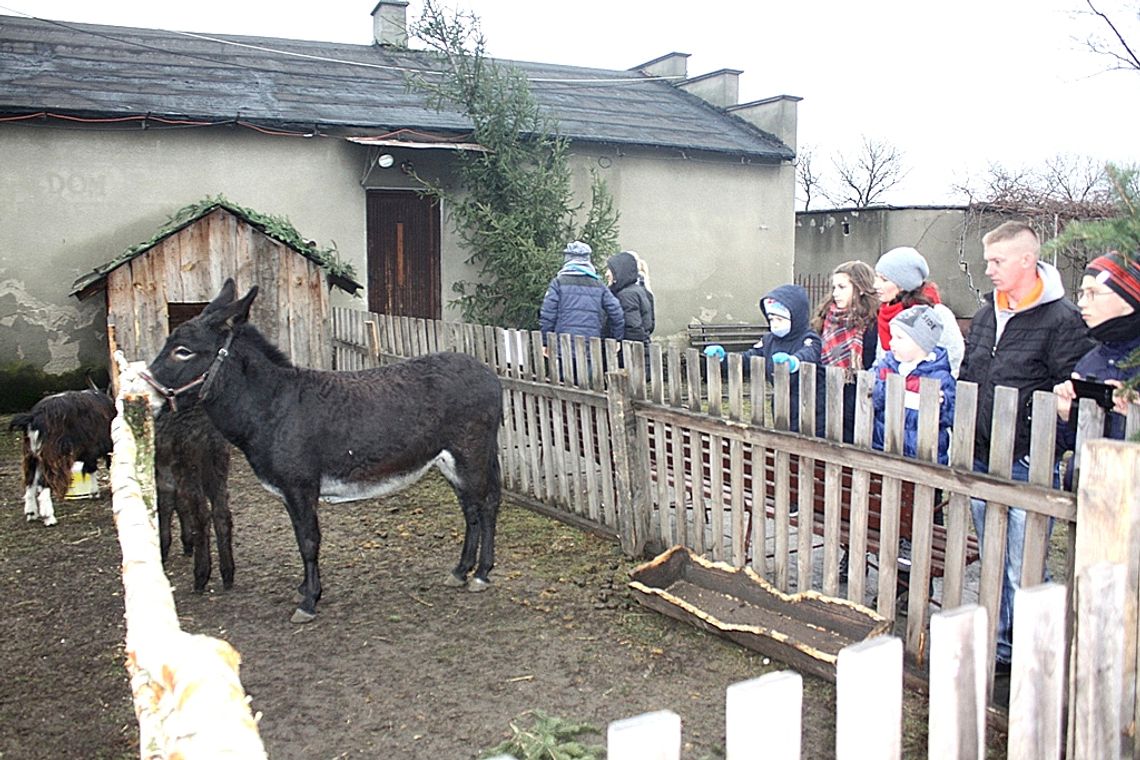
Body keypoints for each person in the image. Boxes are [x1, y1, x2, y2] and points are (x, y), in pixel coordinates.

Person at [960, 221, 1094, 675]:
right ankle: (1001, 650)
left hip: (1025, 461)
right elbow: (969, 374)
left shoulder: (1062, 320)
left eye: (997, 261)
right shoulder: (985, 313)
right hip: (982, 457)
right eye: (987, 260)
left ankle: (1040, 653)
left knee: (1026, 566)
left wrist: (1047, 442)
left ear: (1026, 260)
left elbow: (1075, 396)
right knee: (994, 560)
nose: (989, 269)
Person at [1054, 251, 1140, 478]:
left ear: (1129, 300)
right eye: (1082, 293)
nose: (1081, 303)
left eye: (1093, 293)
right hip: (1088, 495)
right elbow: (1071, 445)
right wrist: (1066, 416)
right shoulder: (1091, 360)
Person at [704, 284, 821, 432]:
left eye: (780, 319)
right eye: (772, 319)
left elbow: (810, 353)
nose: (775, 324)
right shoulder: (769, 340)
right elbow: (751, 357)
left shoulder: (809, 338)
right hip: (781, 401)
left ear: (795, 317)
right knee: (784, 436)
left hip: (811, 403)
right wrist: (724, 358)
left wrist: (794, 362)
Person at [810, 260, 879, 441]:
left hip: (857, 398)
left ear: (860, 288)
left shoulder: (871, 323)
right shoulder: (825, 318)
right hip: (825, 391)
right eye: (834, 288)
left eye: (842, 287)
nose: (835, 294)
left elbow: (871, 362)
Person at [873, 246, 965, 376]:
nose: (875, 285)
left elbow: (954, 359)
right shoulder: (885, 314)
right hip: (891, 391)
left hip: (927, 391)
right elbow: (880, 359)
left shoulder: (937, 314)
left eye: (884, 280)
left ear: (903, 284)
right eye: (876, 277)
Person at [540, 241, 624, 381]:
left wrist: (545, 342)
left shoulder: (558, 283)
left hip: (563, 346)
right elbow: (617, 313)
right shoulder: (599, 285)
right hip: (589, 347)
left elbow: (547, 314)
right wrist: (616, 339)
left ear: (567, 259)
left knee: (563, 388)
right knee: (587, 388)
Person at [605, 250, 655, 370]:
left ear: (620, 271)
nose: (607, 274)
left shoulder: (626, 295)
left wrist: (623, 355)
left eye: (610, 270)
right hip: (641, 354)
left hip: (631, 358)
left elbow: (633, 329)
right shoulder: (638, 290)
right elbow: (650, 324)